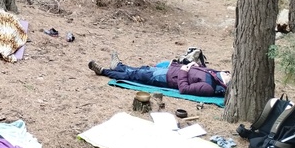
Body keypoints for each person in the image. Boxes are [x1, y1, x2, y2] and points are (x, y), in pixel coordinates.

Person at [87, 49, 231, 97]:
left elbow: (184, 89)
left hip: (168, 78)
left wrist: (183, 71)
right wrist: (192, 65)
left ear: (226, 82)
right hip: (170, 69)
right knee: (141, 70)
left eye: (228, 74)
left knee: (135, 76)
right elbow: (196, 72)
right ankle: (118, 65)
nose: (227, 72)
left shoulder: (209, 87)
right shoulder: (214, 74)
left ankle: (104, 71)